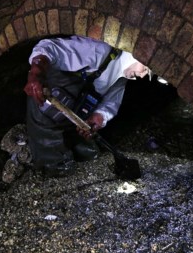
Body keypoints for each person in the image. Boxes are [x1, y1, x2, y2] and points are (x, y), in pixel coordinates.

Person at [23, 35, 150, 176]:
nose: (143, 75)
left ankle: (72, 150)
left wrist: (99, 117)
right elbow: (49, 47)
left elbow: (111, 102)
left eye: (148, 73)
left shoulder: (121, 78)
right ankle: (50, 170)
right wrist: (36, 73)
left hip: (75, 112)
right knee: (54, 164)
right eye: (145, 68)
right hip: (49, 101)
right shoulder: (99, 50)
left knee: (89, 155)